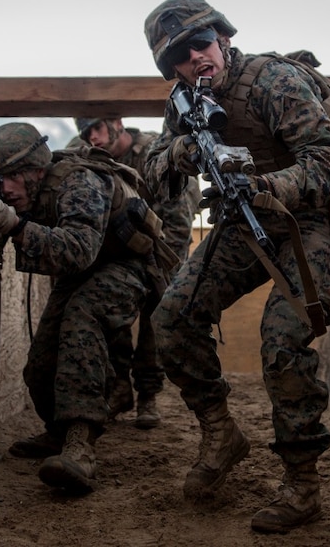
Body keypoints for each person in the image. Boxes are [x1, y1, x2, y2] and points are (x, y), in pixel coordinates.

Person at [140, 0, 330, 533]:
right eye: (179, 56)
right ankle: (221, 434)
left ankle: (302, 484)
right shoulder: (182, 104)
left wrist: (264, 184)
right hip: (243, 222)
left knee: (282, 339)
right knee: (172, 319)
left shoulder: (273, 81)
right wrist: (179, 154)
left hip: (315, 221)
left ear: (222, 39)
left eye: (200, 43)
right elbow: (150, 172)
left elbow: (329, 163)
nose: (194, 58)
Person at [0, 122, 167, 495]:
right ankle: (59, 433)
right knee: (41, 364)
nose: (4, 188)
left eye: (11, 176)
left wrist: (14, 225)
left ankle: (81, 446)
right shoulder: (17, 196)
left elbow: (78, 250)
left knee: (81, 320)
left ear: (35, 169)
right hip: (81, 271)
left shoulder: (80, 181)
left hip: (127, 264)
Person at [70, 116, 200, 429]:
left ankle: (148, 394)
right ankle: (118, 388)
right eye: (86, 133)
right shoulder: (86, 154)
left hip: (162, 245)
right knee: (110, 310)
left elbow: (178, 220)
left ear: (116, 122)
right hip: (118, 249)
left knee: (156, 315)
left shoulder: (154, 152)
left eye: (97, 128)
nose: (93, 137)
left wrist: (167, 270)